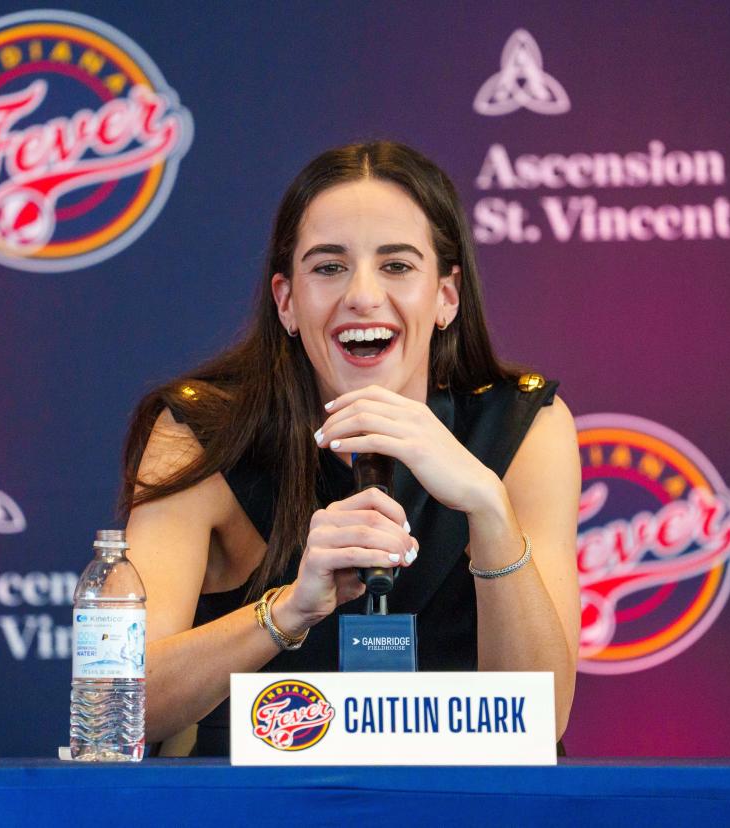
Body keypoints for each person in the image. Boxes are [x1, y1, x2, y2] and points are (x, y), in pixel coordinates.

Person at [119, 141, 580, 756]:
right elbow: (121, 707)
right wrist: (285, 612)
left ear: (447, 296)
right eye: (329, 267)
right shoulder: (203, 431)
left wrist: (489, 508)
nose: (362, 295)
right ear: (286, 302)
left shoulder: (521, 427)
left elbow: (541, 726)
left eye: (397, 266)